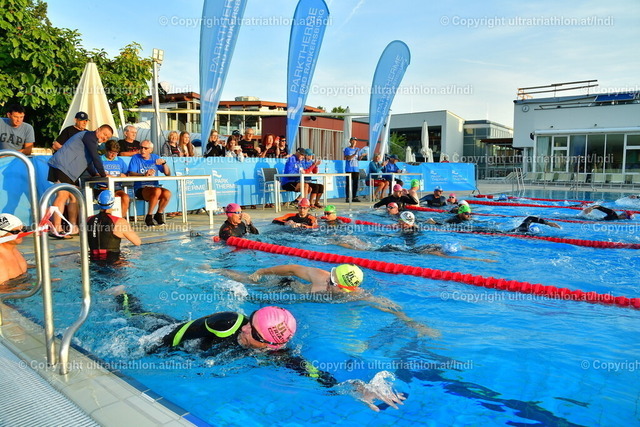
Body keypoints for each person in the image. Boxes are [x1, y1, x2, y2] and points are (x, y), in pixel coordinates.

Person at [107, 290, 405, 411]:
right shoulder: (224, 323)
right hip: (175, 335)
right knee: (138, 317)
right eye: (250, 323)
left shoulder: (275, 349)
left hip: (202, 349)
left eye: (277, 345)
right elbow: (178, 333)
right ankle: (123, 296)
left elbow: (310, 371)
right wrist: (148, 351)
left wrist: (354, 387)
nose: (246, 329)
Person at [221, 264, 439, 338]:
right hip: (286, 286)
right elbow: (291, 269)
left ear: (346, 288)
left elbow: (389, 306)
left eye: (333, 282)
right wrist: (261, 271)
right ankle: (216, 271)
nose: (329, 282)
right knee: (245, 281)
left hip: (293, 303)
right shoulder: (320, 275)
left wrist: (413, 323)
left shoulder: (356, 295)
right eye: (331, 278)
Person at [47, 124, 113, 237]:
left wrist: (95, 174)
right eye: (104, 134)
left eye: (107, 137)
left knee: (74, 197)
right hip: (61, 166)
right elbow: (95, 157)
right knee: (62, 195)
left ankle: (73, 227)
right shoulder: (89, 136)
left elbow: (88, 162)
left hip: (70, 171)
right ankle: (56, 228)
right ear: (98, 130)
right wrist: (103, 174)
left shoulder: (92, 142)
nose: (104, 138)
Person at [127, 140, 172, 227]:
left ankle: (158, 214)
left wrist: (164, 163)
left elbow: (167, 173)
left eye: (145, 148)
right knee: (157, 191)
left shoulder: (155, 157)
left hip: (154, 186)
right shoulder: (136, 158)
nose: (142, 150)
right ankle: (149, 216)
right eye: (141, 148)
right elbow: (131, 173)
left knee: (167, 193)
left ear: (150, 150)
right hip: (140, 188)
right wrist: (144, 175)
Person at [87, 190, 141, 263]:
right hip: (113, 263)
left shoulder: (88, 220)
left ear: (98, 203)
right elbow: (137, 242)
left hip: (93, 261)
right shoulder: (119, 222)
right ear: (113, 203)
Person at [100, 140, 131, 215]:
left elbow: (126, 174)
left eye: (115, 153)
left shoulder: (120, 160)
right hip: (102, 188)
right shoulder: (99, 160)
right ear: (106, 150)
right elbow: (96, 174)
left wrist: (122, 175)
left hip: (117, 188)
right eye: (111, 152)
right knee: (114, 197)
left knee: (125, 197)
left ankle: (122, 218)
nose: (113, 155)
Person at [0, 213, 28, 285]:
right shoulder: (0, 260)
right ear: (1, 235)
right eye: (15, 232)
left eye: (23, 229)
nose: (21, 233)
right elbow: (3, 289)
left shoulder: (13, 249)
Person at [344, 137, 361, 202]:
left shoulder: (357, 149)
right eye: (353, 141)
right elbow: (348, 158)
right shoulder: (347, 149)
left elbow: (358, 159)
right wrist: (354, 154)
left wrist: (361, 156)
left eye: (355, 141)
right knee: (348, 184)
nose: (354, 142)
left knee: (355, 184)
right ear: (350, 141)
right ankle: (347, 197)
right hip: (349, 168)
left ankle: (354, 197)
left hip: (356, 168)